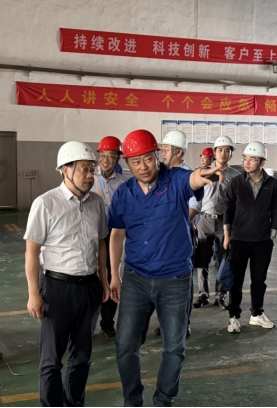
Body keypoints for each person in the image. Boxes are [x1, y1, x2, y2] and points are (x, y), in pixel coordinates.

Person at [108, 129, 225, 407]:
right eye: (136, 162)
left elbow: (193, 178)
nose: (143, 167)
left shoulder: (174, 180)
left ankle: (163, 400)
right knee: (125, 346)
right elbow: (116, 234)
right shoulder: (124, 193)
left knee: (174, 347)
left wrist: (205, 173)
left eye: (148, 159)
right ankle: (132, 401)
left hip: (174, 279)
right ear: (128, 163)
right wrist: (114, 275)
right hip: (136, 278)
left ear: (157, 155)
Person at [24, 141, 110, 407]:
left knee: (82, 357)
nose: (90, 175)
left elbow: (101, 243)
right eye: (84, 169)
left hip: (89, 287)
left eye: (92, 170)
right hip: (57, 288)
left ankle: (74, 403)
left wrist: (104, 280)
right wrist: (34, 294)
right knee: (51, 360)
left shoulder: (96, 202)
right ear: (65, 170)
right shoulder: (45, 203)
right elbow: (31, 252)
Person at [223, 141, 277, 333]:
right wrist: (227, 235)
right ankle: (234, 317)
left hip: (262, 241)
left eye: (252, 159)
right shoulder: (236, 183)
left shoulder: (272, 184)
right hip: (239, 239)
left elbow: (276, 209)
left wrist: (273, 234)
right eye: (245, 159)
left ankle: (257, 314)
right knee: (236, 281)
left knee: (259, 280)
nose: (247, 163)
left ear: (262, 163)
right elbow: (228, 208)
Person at [154, 130, 195, 338]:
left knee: (182, 282)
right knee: (164, 281)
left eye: (166, 149)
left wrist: (173, 222)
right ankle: (165, 323)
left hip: (181, 235)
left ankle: (183, 324)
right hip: (162, 237)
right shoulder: (162, 174)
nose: (162, 153)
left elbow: (194, 207)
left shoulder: (189, 176)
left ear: (179, 152)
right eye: (161, 149)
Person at [192, 136, 241, 309]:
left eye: (227, 150)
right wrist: (194, 219)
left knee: (223, 259)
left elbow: (238, 202)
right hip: (204, 219)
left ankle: (221, 294)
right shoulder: (202, 172)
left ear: (231, 154)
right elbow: (195, 198)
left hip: (224, 222)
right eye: (220, 150)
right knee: (202, 260)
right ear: (214, 153)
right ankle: (203, 294)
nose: (223, 153)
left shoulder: (236, 177)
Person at [91, 136, 127, 340]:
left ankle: (107, 322)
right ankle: (87, 322)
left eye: (111, 156)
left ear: (117, 159)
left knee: (113, 276)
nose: (106, 160)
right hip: (91, 234)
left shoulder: (123, 183)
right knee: (90, 277)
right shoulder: (89, 177)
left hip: (113, 235)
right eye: (103, 155)